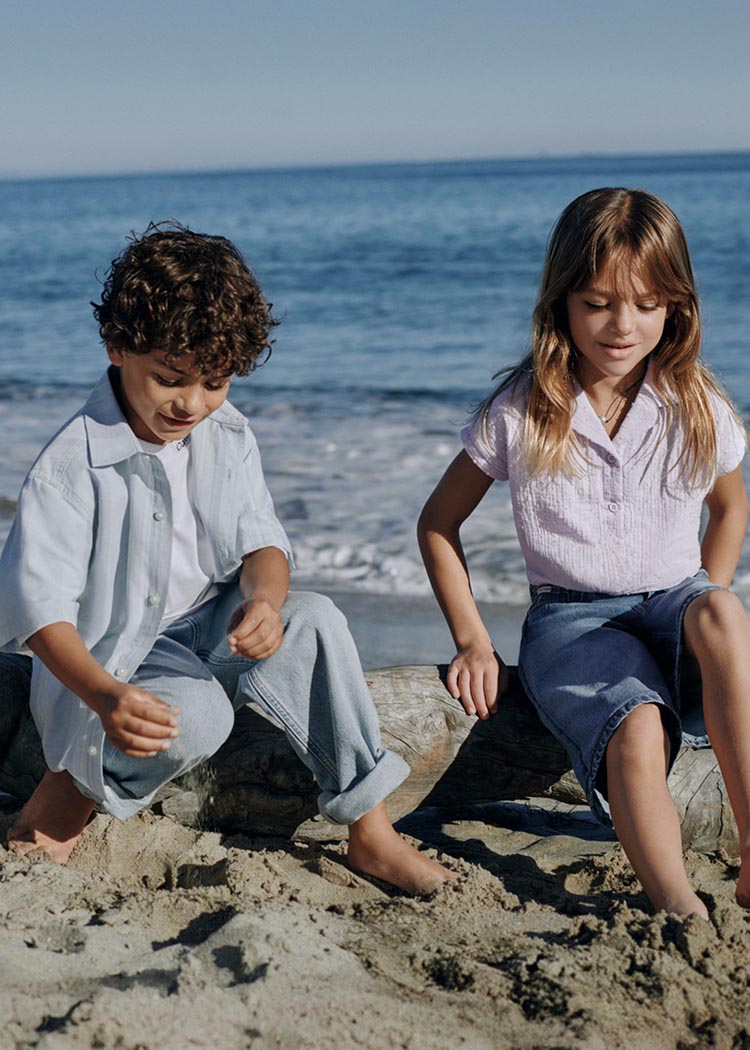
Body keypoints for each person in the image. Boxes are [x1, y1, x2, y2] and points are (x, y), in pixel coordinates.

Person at [0, 223, 455, 894]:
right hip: (119, 656)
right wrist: (104, 696)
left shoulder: (226, 431)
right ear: (118, 347)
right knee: (200, 718)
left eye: (215, 382)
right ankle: (65, 794)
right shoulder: (73, 466)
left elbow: (263, 544)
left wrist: (265, 603)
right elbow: (37, 612)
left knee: (317, 619)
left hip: (215, 628)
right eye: (170, 379)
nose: (192, 403)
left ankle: (371, 830)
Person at [418, 188, 750, 917]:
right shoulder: (523, 407)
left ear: (676, 307)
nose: (621, 325)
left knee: (724, 612)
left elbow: (730, 508)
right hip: (574, 626)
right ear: (562, 301)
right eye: (598, 302)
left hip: (675, 602)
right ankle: (679, 909)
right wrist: (472, 641)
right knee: (634, 727)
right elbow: (438, 524)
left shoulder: (695, 399)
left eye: (644, 303)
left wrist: (702, 597)